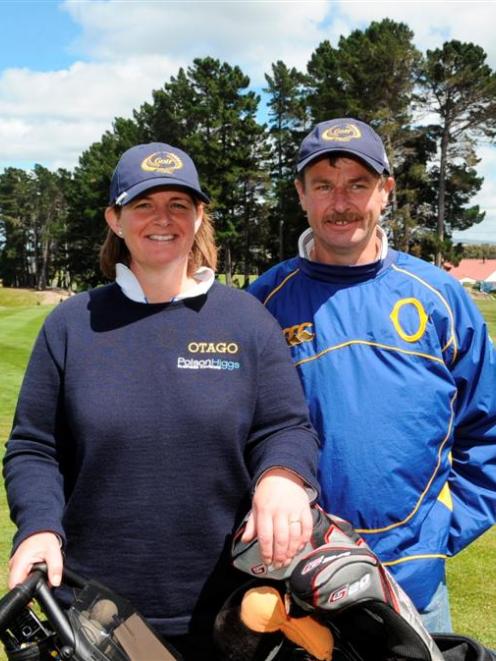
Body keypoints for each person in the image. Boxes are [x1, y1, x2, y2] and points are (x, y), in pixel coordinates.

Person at [3, 142, 321, 660]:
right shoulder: (71, 324)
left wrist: (282, 477)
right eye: (143, 204)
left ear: (198, 218)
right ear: (115, 218)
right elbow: (34, 448)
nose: (162, 219)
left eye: (179, 205)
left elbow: (287, 427)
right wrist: (39, 526)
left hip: (231, 611)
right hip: (92, 613)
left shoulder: (245, 321)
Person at [248, 118, 496, 633]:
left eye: (358, 184)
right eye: (324, 186)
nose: (341, 202)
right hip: (294, 582)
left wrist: (443, 530)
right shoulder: (261, 304)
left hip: (413, 586)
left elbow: (488, 427)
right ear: (301, 195)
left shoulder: (440, 298)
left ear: (386, 191)